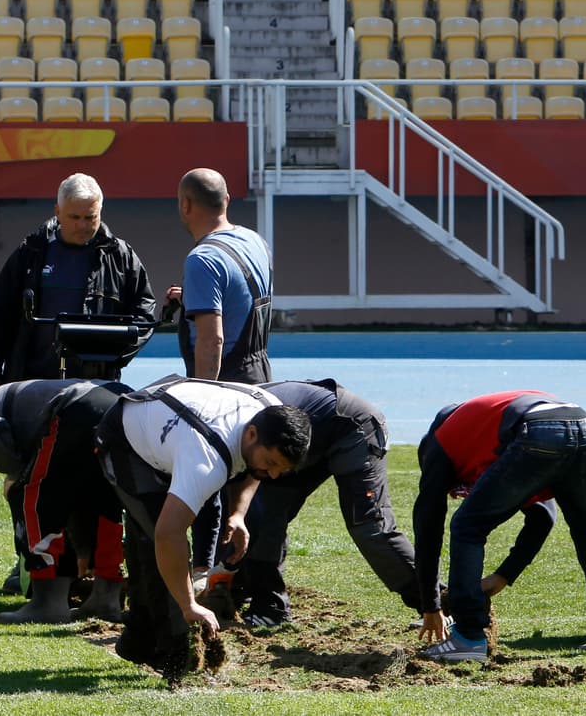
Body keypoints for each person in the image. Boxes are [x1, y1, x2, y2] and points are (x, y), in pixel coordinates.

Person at [93, 376, 311, 675]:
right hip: (125, 443)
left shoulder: (270, 414)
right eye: (271, 463)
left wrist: (237, 514)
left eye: (280, 470)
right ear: (251, 434)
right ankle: (176, 655)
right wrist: (189, 605)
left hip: (174, 428)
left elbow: (255, 470)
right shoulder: (206, 459)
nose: (271, 475)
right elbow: (169, 534)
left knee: (150, 538)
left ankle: (138, 640)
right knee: (158, 539)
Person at [413, 390, 586, 663]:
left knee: (467, 526)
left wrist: (430, 605)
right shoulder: (481, 433)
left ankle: (468, 636)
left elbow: (428, 529)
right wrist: (503, 576)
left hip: (539, 431)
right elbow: (543, 516)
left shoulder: (439, 448)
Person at [0, 379, 132, 624]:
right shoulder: (0, 403)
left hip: (74, 409)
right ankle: (105, 598)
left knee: (32, 497)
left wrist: (16, 478)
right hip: (119, 400)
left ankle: (48, 603)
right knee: (101, 497)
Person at [233, 379, 422, 627]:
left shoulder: (233, 428)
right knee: (261, 512)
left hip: (350, 425)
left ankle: (442, 605)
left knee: (368, 525)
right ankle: (268, 607)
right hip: (301, 436)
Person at [165, 167, 274, 586]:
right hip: (260, 367)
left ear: (185, 205)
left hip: (223, 377)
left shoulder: (202, 258)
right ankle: (245, 579)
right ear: (227, 201)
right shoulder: (254, 241)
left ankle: (209, 575)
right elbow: (242, 296)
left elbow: (211, 338)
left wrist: (203, 397)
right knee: (254, 477)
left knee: (210, 478)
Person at [0, 172, 156, 392]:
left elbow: (144, 314)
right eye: (74, 217)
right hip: (29, 382)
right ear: (57, 212)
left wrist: (113, 355)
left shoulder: (121, 256)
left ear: (100, 212)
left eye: (90, 217)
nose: (82, 225)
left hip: (94, 386)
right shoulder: (31, 252)